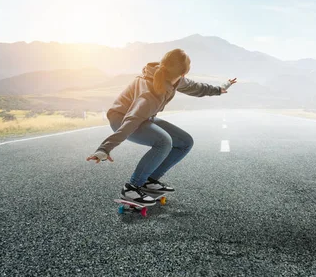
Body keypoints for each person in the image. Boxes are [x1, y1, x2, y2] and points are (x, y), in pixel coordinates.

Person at [86, 48, 237, 206]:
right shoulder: (149, 94)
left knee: (185, 142)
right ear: (184, 72)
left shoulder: (174, 78)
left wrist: (219, 89)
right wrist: (105, 148)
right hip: (121, 119)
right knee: (164, 142)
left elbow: (196, 87)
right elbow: (131, 121)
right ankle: (132, 187)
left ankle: (149, 181)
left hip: (144, 117)